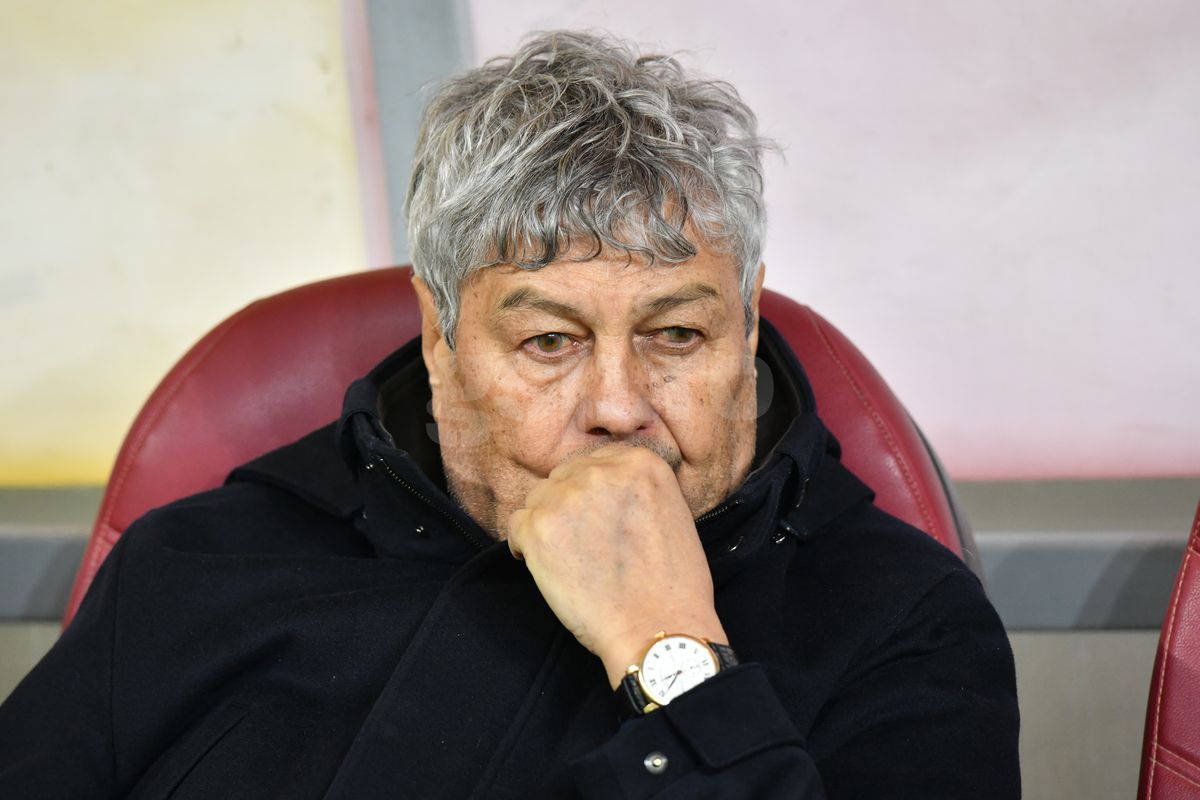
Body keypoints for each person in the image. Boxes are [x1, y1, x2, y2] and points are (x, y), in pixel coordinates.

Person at [0, 30, 1019, 798]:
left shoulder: (901, 619)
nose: (618, 408)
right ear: (441, 338)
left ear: (746, 326)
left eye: (676, 335)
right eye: (549, 342)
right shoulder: (202, 562)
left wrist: (670, 654)